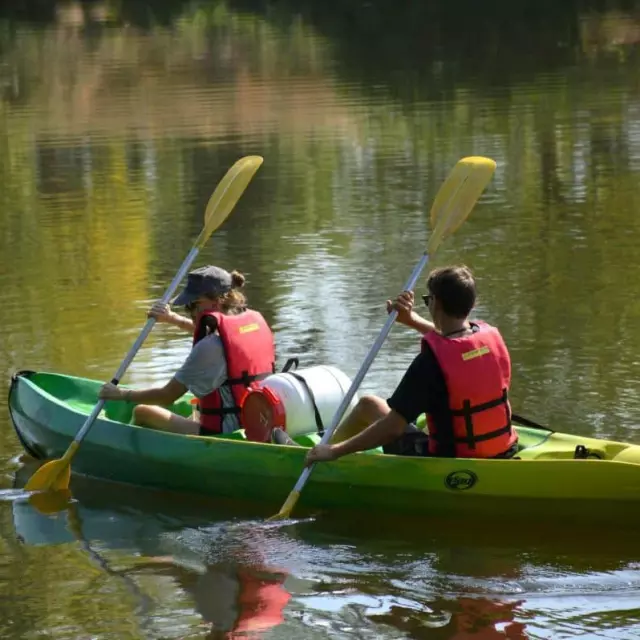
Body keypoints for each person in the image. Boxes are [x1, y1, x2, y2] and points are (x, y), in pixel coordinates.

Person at [304, 265, 518, 464]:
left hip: (448, 461)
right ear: (470, 304)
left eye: (428, 299)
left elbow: (392, 428)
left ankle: (322, 451)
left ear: (436, 303)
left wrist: (335, 452)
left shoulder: (429, 364)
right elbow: (453, 346)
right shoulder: (489, 340)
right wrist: (412, 320)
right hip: (502, 450)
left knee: (367, 405)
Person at [98, 265, 276, 436]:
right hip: (259, 422)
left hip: (223, 433)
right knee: (194, 407)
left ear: (217, 302)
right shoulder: (251, 325)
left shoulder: (209, 348)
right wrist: (173, 319)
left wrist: (121, 394)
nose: (189, 310)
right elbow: (219, 341)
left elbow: (166, 396)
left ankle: (133, 449)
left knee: (142, 411)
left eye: (193, 305)